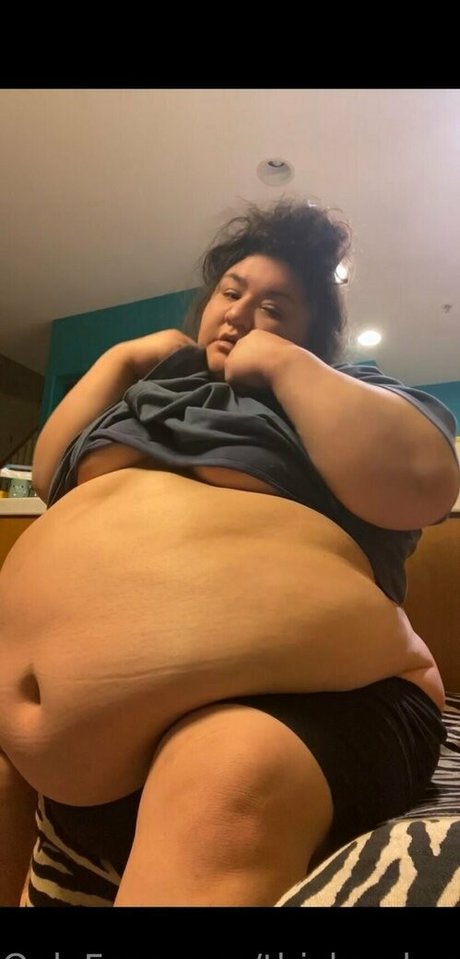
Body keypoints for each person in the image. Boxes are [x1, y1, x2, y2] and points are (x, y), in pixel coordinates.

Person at [0, 198, 458, 907]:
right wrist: (126, 359)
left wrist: (281, 360)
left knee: (226, 769)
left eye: (275, 307)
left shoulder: (347, 394)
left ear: (313, 336)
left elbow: (424, 483)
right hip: (75, 757)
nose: (240, 313)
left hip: (313, 710)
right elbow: (52, 474)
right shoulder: (154, 397)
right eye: (231, 292)